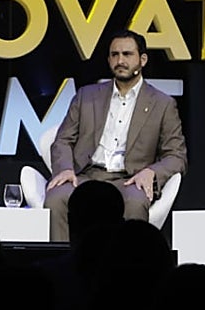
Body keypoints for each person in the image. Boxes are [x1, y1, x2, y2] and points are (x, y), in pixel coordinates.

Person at [43, 29, 188, 241]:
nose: (120, 60)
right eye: (114, 55)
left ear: (143, 59)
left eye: (127, 54)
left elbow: (177, 156)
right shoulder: (87, 95)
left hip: (129, 180)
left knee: (136, 203)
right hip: (86, 176)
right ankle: (62, 265)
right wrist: (65, 169)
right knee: (56, 198)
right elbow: (63, 140)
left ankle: (128, 269)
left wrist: (151, 172)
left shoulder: (162, 104)